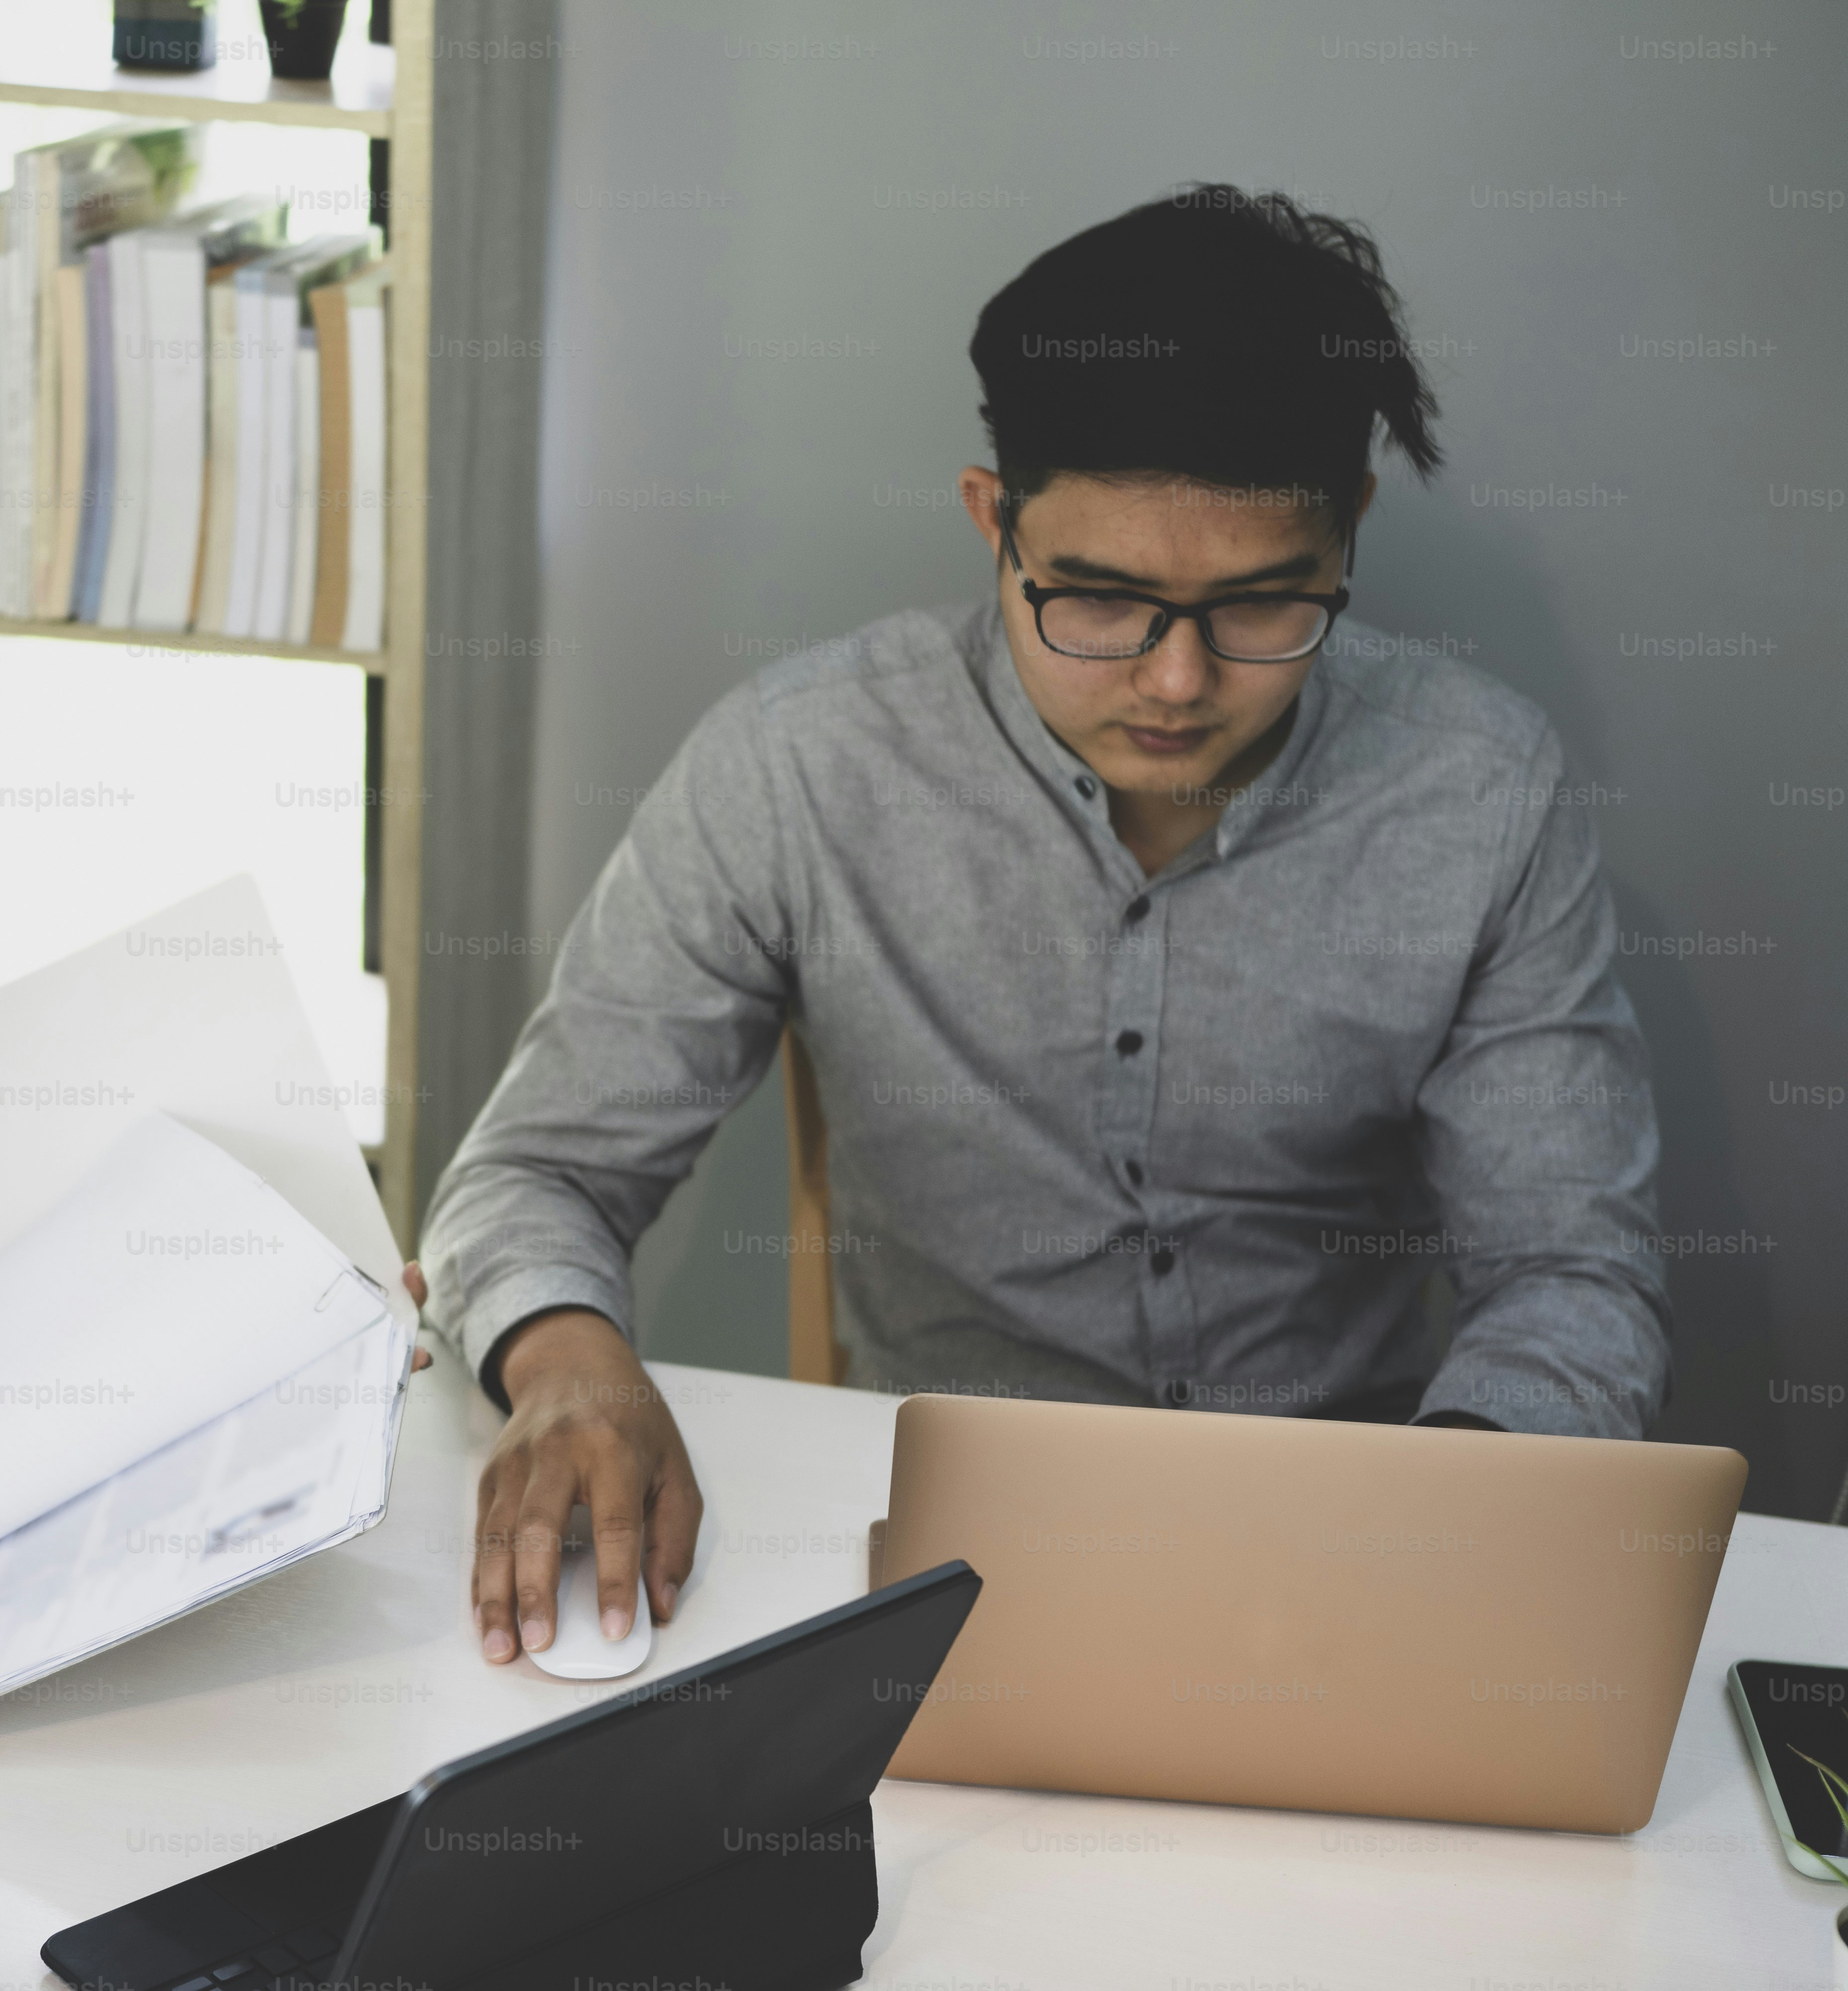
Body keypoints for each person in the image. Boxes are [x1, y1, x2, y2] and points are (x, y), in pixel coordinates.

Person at [420, 186, 1669, 1671]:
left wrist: (1441, 1521)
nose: (1178, 683)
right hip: (942, 1554)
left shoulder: (1483, 789)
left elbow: (1571, 1275)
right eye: (1100, 600)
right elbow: (541, 1169)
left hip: (1357, 1544)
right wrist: (571, 1372)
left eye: (1267, 606)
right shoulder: (802, 765)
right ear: (990, 522)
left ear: (1353, 537)